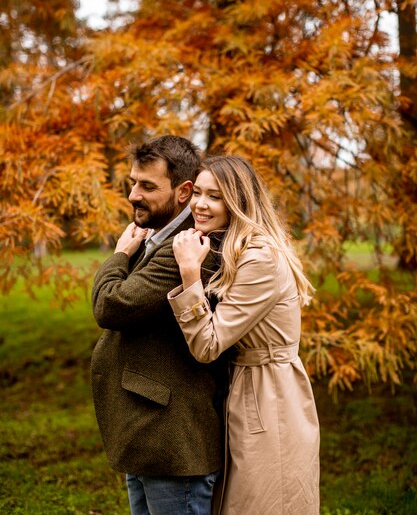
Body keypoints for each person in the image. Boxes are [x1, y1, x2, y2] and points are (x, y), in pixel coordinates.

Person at [167, 155, 320, 515]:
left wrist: (190, 276)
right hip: (248, 387)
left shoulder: (260, 257)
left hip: (270, 397)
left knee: (267, 502)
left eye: (215, 196)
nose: (200, 204)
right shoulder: (236, 247)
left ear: (238, 201)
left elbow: (207, 345)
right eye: (198, 193)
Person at [91, 135, 225, 515]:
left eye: (148, 186)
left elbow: (111, 306)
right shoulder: (158, 237)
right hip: (146, 432)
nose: (134, 194)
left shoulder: (190, 247)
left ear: (184, 192)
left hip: (172, 439)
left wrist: (119, 255)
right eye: (133, 182)